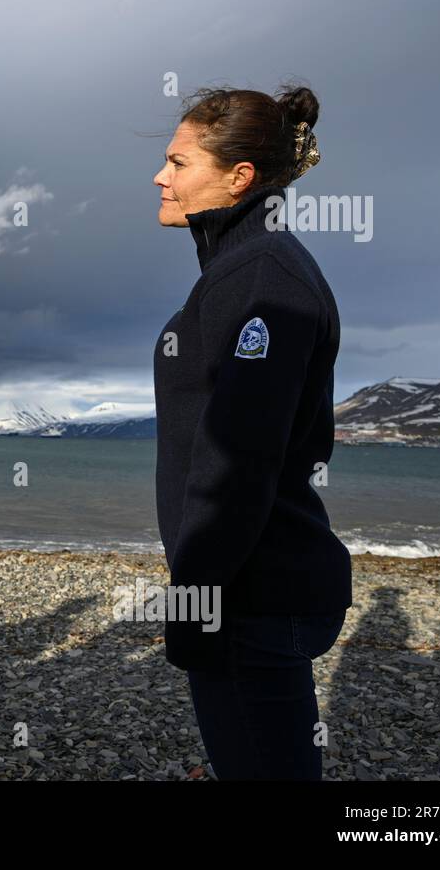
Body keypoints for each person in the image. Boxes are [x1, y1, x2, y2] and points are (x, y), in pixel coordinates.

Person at [151, 83, 351, 779]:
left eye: (179, 163)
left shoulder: (263, 277)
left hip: (253, 594)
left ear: (238, 178)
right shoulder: (243, 269)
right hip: (251, 586)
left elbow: (240, 462)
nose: (160, 176)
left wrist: (196, 598)